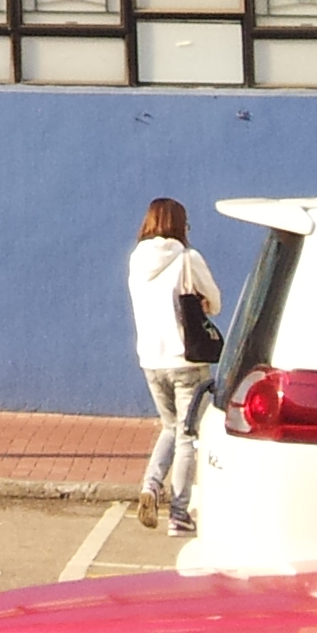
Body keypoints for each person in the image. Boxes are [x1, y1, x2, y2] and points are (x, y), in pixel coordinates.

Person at [128, 197, 223, 537]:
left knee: (170, 427)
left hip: (151, 361)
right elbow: (215, 301)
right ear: (180, 225)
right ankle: (179, 514)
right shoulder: (187, 258)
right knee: (187, 436)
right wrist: (204, 303)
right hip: (186, 360)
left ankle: (151, 486)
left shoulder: (136, 259)